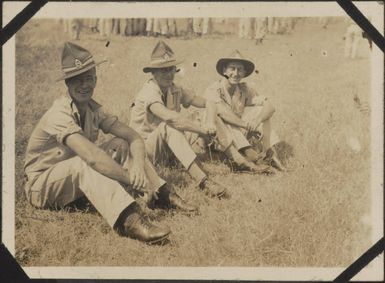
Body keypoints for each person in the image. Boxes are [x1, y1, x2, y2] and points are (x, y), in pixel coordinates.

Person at [24, 42, 197, 245]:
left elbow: (133, 136)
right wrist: (129, 179)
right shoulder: (59, 113)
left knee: (121, 143)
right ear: (67, 84)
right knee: (84, 162)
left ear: (96, 79)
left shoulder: (93, 109)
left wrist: (139, 169)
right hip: (41, 186)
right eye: (77, 80)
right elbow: (92, 158)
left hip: (72, 181)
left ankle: (162, 194)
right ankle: (130, 219)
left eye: (89, 78)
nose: (84, 85)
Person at [129, 40, 233, 198]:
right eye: (163, 70)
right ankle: (203, 180)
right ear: (153, 73)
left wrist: (209, 122)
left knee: (203, 115)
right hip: (144, 152)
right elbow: (171, 119)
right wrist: (201, 130)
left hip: (165, 147)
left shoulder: (174, 89)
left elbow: (209, 102)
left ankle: (235, 158)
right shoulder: (149, 91)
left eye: (171, 69)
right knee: (170, 126)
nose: (169, 74)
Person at [203, 50, 287, 171]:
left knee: (260, 110)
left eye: (240, 69)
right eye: (232, 68)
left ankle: (270, 153)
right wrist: (246, 125)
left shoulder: (244, 89)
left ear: (244, 73)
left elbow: (270, 106)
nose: (236, 73)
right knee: (222, 118)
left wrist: (256, 121)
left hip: (237, 134)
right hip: (217, 137)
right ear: (224, 71)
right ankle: (250, 157)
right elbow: (221, 113)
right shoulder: (213, 89)